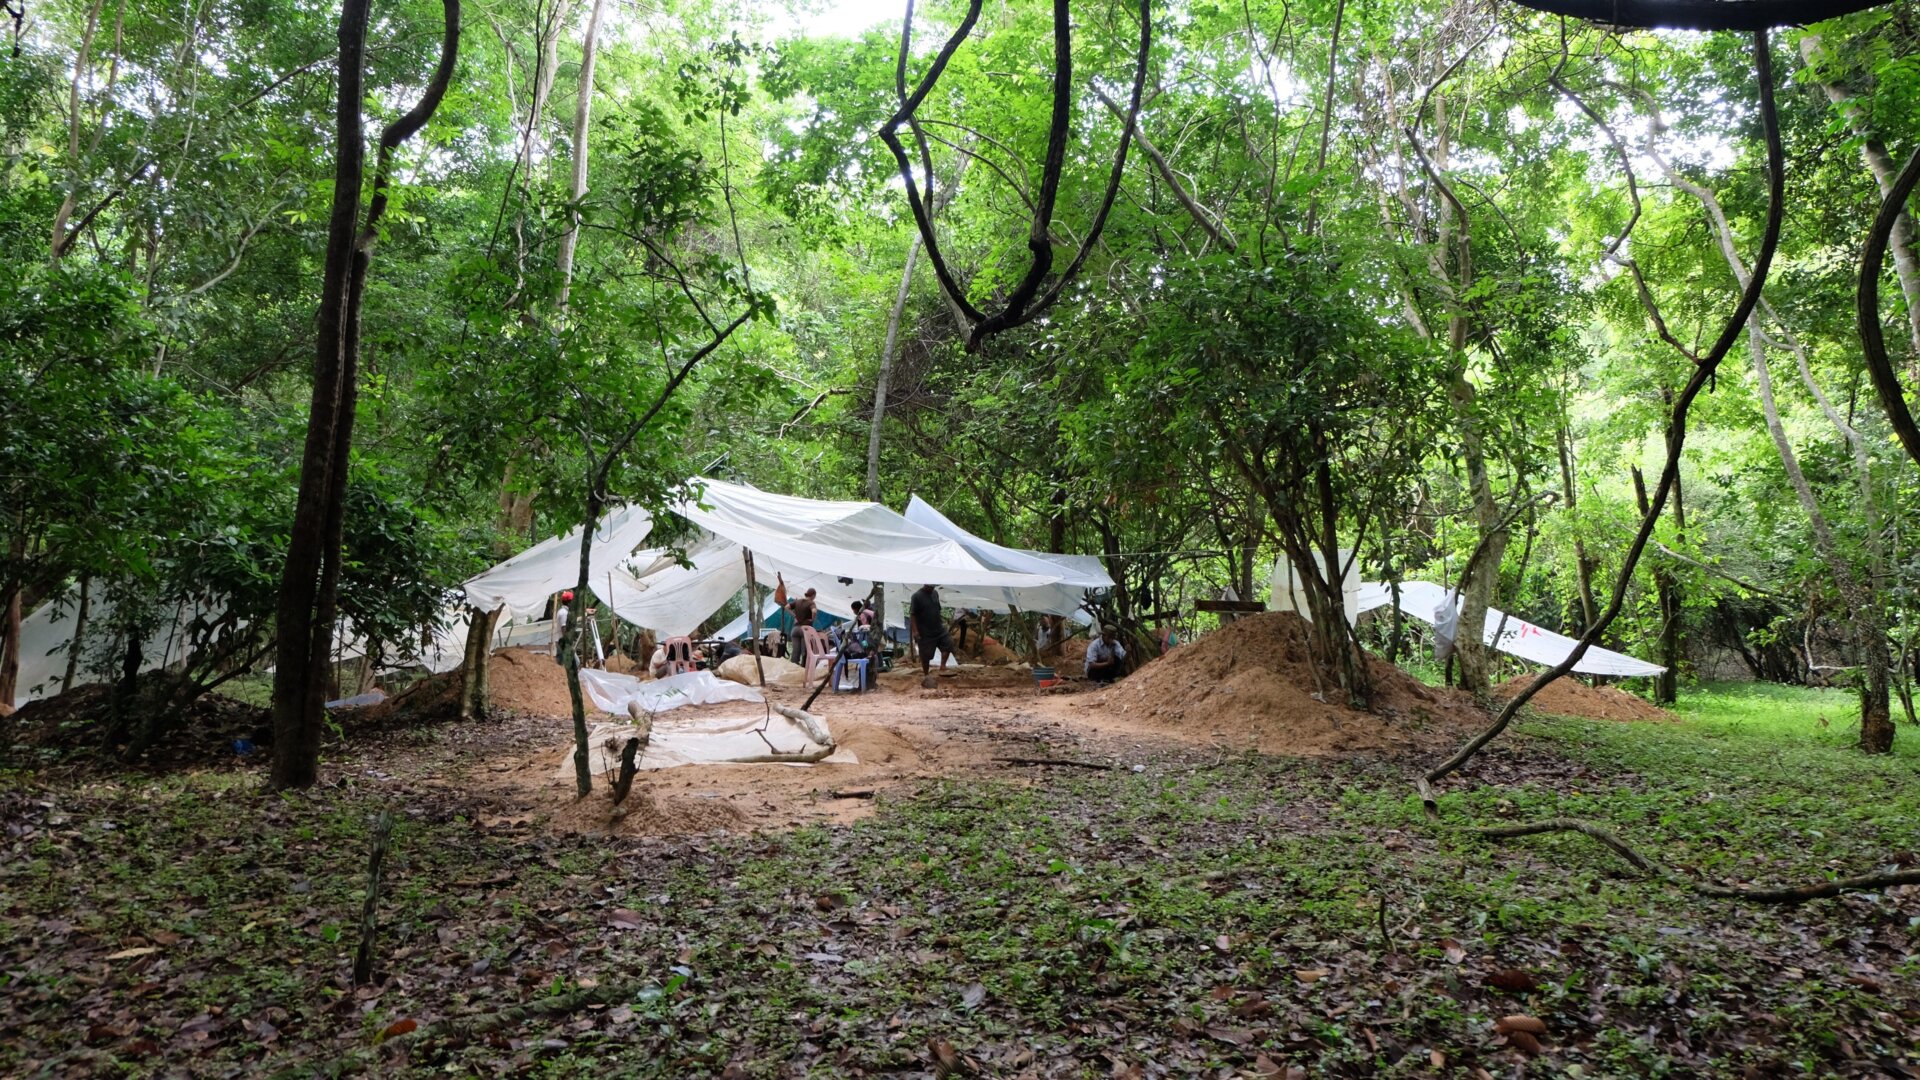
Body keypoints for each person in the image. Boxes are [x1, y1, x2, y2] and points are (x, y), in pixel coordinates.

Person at [909, 583, 954, 676]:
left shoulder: (935, 593)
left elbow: (937, 609)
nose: (932, 588)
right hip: (925, 631)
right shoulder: (916, 596)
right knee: (925, 655)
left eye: (933, 587)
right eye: (930, 586)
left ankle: (943, 666)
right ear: (925, 584)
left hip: (938, 628)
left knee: (948, 644)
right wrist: (915, 632)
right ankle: (926, 674)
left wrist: (942, 622)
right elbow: (912, 615)